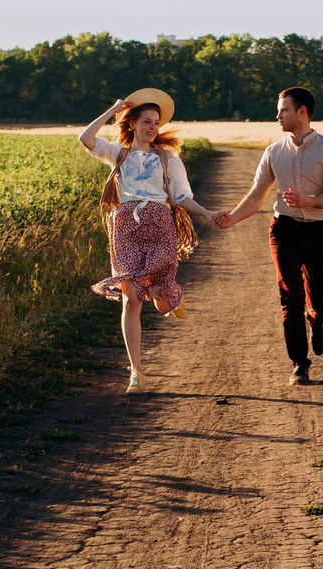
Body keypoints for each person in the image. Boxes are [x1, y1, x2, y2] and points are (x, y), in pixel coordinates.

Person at [80, 88, 222, 392]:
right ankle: (136, 372)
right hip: (125, 229)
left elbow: (181, 197)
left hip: (159, 226)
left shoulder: (168, 159)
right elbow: (85, 138)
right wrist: (113, 110)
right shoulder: (117, 154)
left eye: (156, 122)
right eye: (147, 121)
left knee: (161, 303)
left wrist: (207, 213)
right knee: (131, 300)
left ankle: (172, 295)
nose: (153, 127)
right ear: (132, 123)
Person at [214, 85, 323, 386]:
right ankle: (299, 363)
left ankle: (317, 321)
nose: (278, 116)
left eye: (284, 110)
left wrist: (307, 201)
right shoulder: (273, 151)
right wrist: (232, 218)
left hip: (317, 231)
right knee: (290, 295)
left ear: (302, 112)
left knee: (320, 300)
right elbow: (256, 195)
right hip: (283, 230)